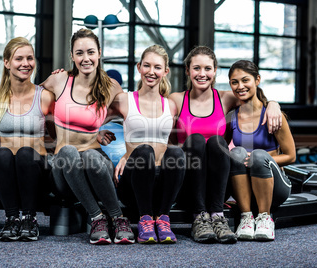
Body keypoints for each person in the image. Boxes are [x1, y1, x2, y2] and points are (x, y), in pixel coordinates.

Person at [169, 46, 282, 244]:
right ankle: (199, 217)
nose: (202, 74)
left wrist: (273, 104)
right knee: (195, 140)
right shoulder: (177, 99)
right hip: (189, 183)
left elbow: (253, 98)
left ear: (214, 71)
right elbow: (166, 139)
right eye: (196, 68)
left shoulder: (224, 98)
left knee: (217, 142)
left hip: (217, 187)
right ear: (188, 70)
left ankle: (217, 216)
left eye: (207, 68)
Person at [40, 28, 135, 245]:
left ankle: (118, 218)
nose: (86, 58)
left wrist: (127, 154)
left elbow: (135, 119)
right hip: (64, 168)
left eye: (90, 52)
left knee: (91, 156)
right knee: (68, 151)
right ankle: (97, 217)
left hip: (96, 165)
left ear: (99, 53)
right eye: (79, 53)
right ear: (72, 56)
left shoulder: (111, 87)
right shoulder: (59, 80)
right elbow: (30, 104)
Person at [111, 45, 185, 244]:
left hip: (161, 184)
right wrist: (102, 132)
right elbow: (93, 119)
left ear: (165, 72)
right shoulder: (124, 100)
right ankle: (144, 219)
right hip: (133, 183)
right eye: (147, 66)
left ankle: (163, 219)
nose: (151, 71)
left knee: (177, 153)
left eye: (157, 67)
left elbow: (172, 142)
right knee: (144, 150)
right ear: (139, 67)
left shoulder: (170, 105)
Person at [0, 37, 54, 242]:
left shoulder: (44, 96)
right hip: (8, 172)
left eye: (30, 58)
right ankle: (11, 219)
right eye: (19, 58)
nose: (25, 63)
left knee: (26, 153)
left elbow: (56, 136)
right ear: (7, 62)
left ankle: (29, 218)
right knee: (0, 153)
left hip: (36, 169)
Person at [226, 60, 295, 241]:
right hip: (245, 189)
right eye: (234, 82)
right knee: (236, 153)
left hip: (275, 187)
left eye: (245, 80)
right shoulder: (232, 117)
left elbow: (291, 155)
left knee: (257, 155)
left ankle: (265, 218)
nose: (240, 86)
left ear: (257, 80)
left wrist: (262, 159)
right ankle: (246, 217)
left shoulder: (273, 115)